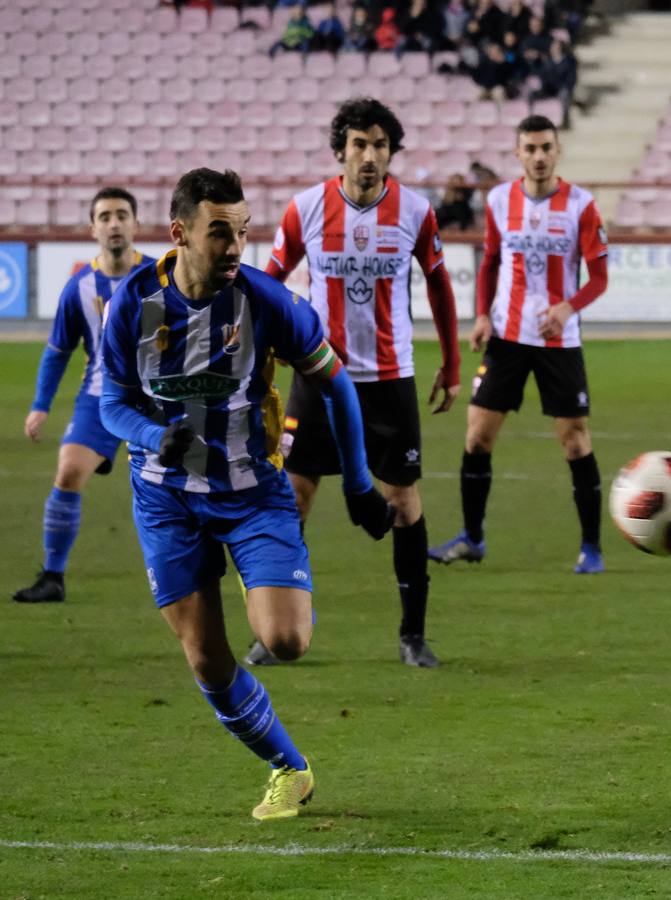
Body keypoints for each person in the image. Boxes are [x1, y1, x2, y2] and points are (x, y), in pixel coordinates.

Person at [98, 168, 395, 820]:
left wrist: (359, 484)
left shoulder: (265, 301)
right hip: (164, 498)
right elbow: (110, 403)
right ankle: (289, 767)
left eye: (242, 231)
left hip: (251, 490)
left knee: (286, 641)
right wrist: (152, 434)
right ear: (179, 234)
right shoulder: (131, 304)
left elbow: (336, 385)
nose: (235, 246)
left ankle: (245, 568)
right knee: (207, 660)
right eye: (220, 233)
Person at [257, 97, 462, 668]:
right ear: (340, 150)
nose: (369, 156)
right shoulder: (306, 209)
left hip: (390, 380)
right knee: (294, 495)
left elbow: (440, 286)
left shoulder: (416, 212)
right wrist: (258, 358)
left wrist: (450, 362)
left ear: (391, 152)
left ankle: (412, 635)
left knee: (402, 498)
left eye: (380, 145)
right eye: (359, 145)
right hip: (318, 374)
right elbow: (270, 283)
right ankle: (279, 627)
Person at [430, 115, 609, 574]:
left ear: (558, 150)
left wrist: (568, 308)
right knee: (477, 436)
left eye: (546, 147)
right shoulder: (497, 199)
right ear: (518, 153)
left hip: (558, 342)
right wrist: (484, 315)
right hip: (506, 338)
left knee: (574, 442)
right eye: (530, 148)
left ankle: (591, 547)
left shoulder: (581, 205)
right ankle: (472, 537)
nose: (539, 156)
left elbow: (600, 277)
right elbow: (490, 260)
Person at [13, 188, 155, 604]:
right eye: (105, 216)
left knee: (179, 487)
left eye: (122, 215)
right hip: (99, 398)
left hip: (157, 400)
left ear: (135, 224)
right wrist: (41, 405)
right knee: (68, 473)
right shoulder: (78, 287)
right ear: (93, 228)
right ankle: (53, 577)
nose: (114, 223)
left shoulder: (157, 277)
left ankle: (192, 570)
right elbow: (58, 351)